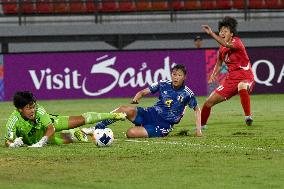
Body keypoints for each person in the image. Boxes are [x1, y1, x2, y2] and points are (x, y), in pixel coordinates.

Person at [82, 64, 202, 138]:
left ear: (184, 77)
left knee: (131, 133)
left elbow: (197, 109)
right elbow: (143, 92)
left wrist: (198, 130)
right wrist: (136, 98)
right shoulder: (163, 84)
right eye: (174, 74)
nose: (176, 77)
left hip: (163, 124)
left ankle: (141, 128)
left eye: (179, 75)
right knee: (124, 109)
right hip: (151, 113)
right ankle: (97, 128)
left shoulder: (187, 93)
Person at [4, 91, 126, 148]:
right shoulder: (13, 120)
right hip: (40, 140)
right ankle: (80, 132)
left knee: (82, 119)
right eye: (29, 108)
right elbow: (7, 141)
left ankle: (114, 115)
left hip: (52, 125)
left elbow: (50, 128)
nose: (32, 110)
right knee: (70, 139)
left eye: (33, 107)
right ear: (20, 109)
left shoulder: (39, 110)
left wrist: (41, 142)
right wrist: (13, 145)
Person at [201, 16, 255, 128]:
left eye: (225, 31)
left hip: (245, 76)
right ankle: (201, 126)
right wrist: (213, 74)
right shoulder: (222, 50)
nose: (222, 33)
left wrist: (211, 33)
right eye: (221, 31)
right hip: (230, 80)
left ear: (231, 34)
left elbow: (226, 44)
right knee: (208, 103)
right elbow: (219, 63)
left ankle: (248, 116)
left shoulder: (237, 42)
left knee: (242, 86)